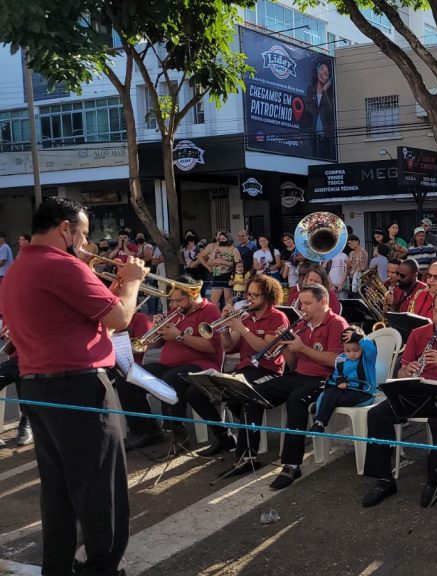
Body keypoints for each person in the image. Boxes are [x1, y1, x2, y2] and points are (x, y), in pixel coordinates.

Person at [2, 197, 146, 575]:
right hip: (79, 387)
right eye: (83, 234)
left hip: (38, 388)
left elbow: (88, 323)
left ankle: (59, 566)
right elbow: (122, 317)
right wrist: (132, 281)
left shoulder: (18, 268)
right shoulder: (62, 266)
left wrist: (111, 287)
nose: (86, 243)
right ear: (65, 228)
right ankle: (102, 568)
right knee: (101, 489)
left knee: (59, 491)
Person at [361, 288, 437, 508]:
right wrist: (406, 371)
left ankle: (434, 480)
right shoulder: (419, 334)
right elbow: (401, 372)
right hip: (417, 391)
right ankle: (384, 480)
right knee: (377, 415)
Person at [248, 284, 347, 489]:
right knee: (253, 394)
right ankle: (247, 455)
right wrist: (285, 346)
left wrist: (302, 347)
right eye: (301, 303)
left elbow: (335, 361)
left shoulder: (337, 324)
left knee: (295, 401)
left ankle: (291, 465)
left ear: (323, 302)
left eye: (308, 303)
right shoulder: (302, 324)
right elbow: (293, 365)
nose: (303, 308)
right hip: (299, 375)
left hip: (325, 379)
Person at [116, 275, 224, 449]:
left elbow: (212, 348)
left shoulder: (210, 311)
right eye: (172, 301)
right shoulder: (176, 313)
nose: (174, 305)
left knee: (170, 380)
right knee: (128, 378)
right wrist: (156, 331)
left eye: (178, 300)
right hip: (169, 366)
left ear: (192, 294)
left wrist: (180, 336)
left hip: (201, 365)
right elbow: (157, 345)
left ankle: (179, 434)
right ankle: (147, 431)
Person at [194, 274, 290, 461]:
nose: (250, 298)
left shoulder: (278, 317)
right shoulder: (246, 317)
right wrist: (224, 328)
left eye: (255, 295)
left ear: (268, 296)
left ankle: (246, 454)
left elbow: (265, 349)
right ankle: (225, 437)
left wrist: (242, 328)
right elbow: (229, 347)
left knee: (244, 396)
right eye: (248, 294)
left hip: (268, 371)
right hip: (244, 369)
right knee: (196, 391)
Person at [310, 326, 377, 432]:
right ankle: (319, 423)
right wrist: (340, 380)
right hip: (345, 391)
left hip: (363, 394)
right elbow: (336, 375)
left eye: (356, 350)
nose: (352, 354)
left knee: (327, 399)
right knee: (328, 393)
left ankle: (321, 405)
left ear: (362, 347)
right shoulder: (341, 359)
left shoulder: (367, 358)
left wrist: (359, 337)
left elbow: (372, 349)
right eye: (347, 350)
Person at [200, 231, 241, 310]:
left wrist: (223, 262)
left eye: (223, 239)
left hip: (228, 277)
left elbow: (238, 265)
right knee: (213, 302)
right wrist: (213, 262)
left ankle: (229, 316)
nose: (221, 240)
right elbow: (210, 262)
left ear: (228, 239)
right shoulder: (216, 249)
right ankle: (216, 316)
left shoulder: (234, 250)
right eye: (220, 239)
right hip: (217, 277)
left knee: (228, 302)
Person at [306, 60, 336, 159]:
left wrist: (324, 91)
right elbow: (307, 113)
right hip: (312, 140)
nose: (323, 73)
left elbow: (330, 113)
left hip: (326, 140)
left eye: (326, 73)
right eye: (322, 69)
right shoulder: (310, 91)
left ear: (329, 79)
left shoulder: (330, 97)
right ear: (317, 69)